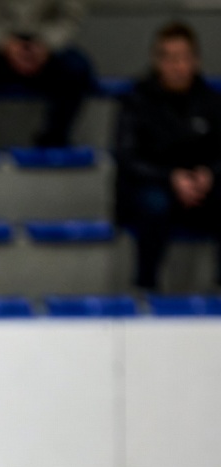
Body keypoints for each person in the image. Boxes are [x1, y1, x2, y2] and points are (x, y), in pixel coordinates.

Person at [114, 21, 221, 292]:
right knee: (154, 204)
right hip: (153, 186)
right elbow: (127, 157)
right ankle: (146, 285)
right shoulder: (137, 100)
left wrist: (209, 173)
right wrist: (171, 177)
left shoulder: (211, 101)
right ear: (157, 61)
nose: (177, 66)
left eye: (184, 58)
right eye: (170, 59)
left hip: (200, 187)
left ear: (195, 61)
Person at [0, 0, 94, 148]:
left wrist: (46, 45)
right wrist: (4, 43)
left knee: (77, 69)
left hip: (46, 43)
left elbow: (70, 18)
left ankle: (53, 141)